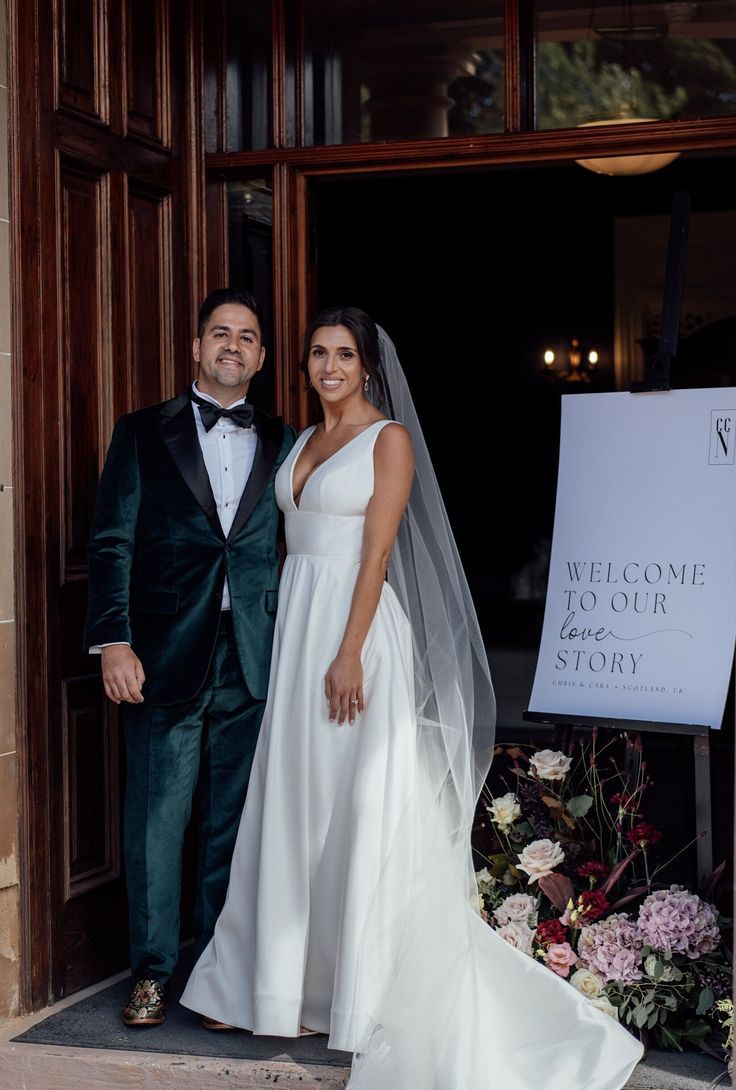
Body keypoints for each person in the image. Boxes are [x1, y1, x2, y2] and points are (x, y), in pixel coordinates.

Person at [181, 307, 644, 1089]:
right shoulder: (299, 440)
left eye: (345, 355)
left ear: (368, 368)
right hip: (298, 633)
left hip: (353, 640)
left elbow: (377, 550)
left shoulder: (386, 440)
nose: (330, 366)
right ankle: (283, 984)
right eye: (319, 354)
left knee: (360, 808)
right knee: (298, 806)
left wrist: (350, 652)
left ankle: (361, 994)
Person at [84, 288, 295, 1027]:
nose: (233, 345)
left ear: (262, 358)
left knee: (233, 824)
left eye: (247, 336)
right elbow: (112, 541)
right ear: (197, 348)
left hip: (254, 658)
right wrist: (114, 640)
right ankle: (152, 970)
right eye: (220, 333)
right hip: (162, 656)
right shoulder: (143, 432)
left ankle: (216, 975)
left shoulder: (288, 439)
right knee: (157, 820)